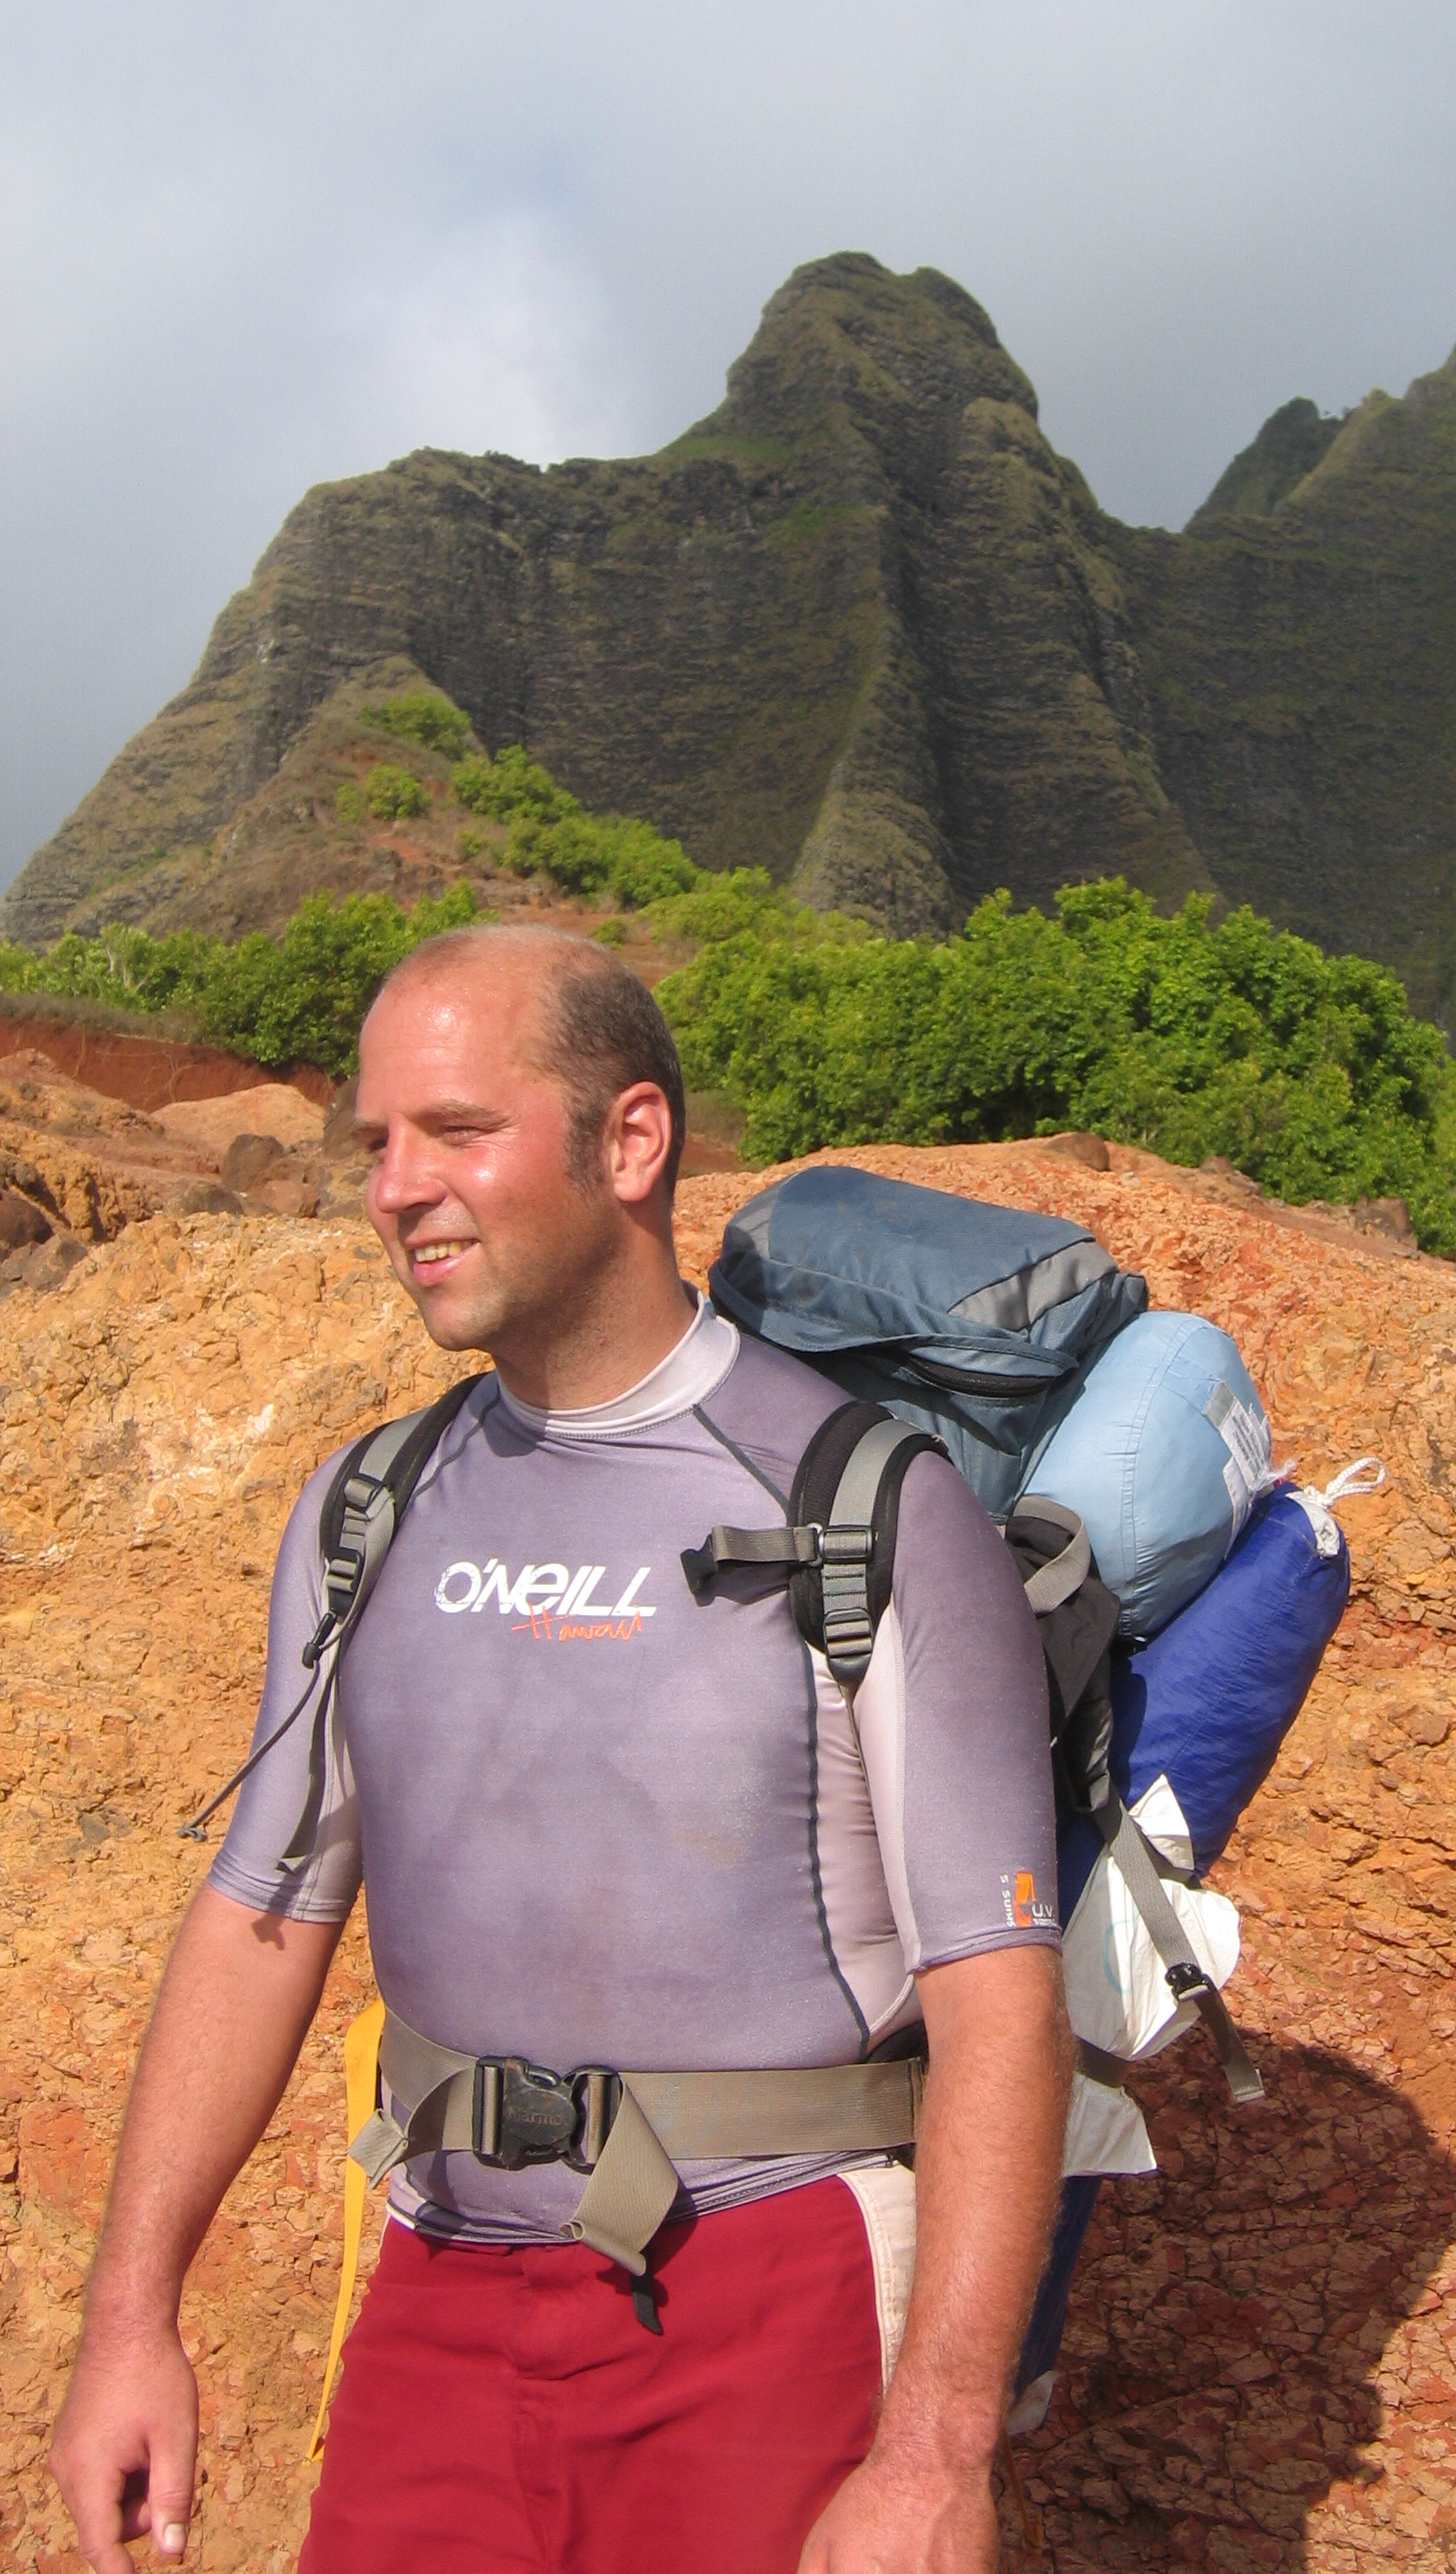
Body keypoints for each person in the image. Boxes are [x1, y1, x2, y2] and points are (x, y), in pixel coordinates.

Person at [50, 926, 1072, 2574]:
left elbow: (998, 1994)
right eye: (375, 1140)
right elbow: (261, 1921)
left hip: (773, 2280)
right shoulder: (367, 1508)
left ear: (632, 1142)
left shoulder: (863, 1507)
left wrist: (939, 2456)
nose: (396, 1187)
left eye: (456, 1132)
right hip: (438, 2280)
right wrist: (129, 2321)